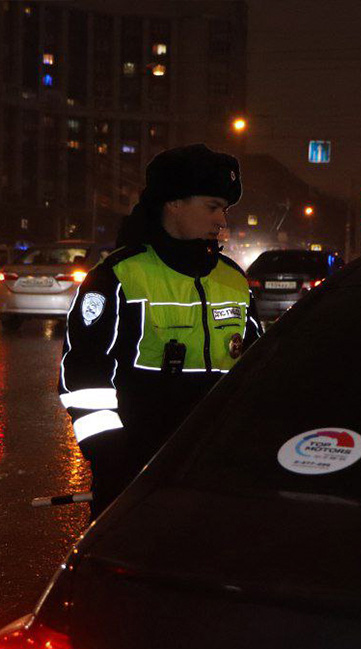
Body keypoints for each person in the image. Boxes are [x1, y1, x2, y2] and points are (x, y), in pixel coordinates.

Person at [58, 144, 262, 517]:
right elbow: (84, 379)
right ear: (173, 203)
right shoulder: (118, 277)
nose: (222, 221)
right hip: (135, 470)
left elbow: (257, 369)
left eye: (225, 210)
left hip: (217, 468)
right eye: (212, 207)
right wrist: (110, 455)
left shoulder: (233, 279)